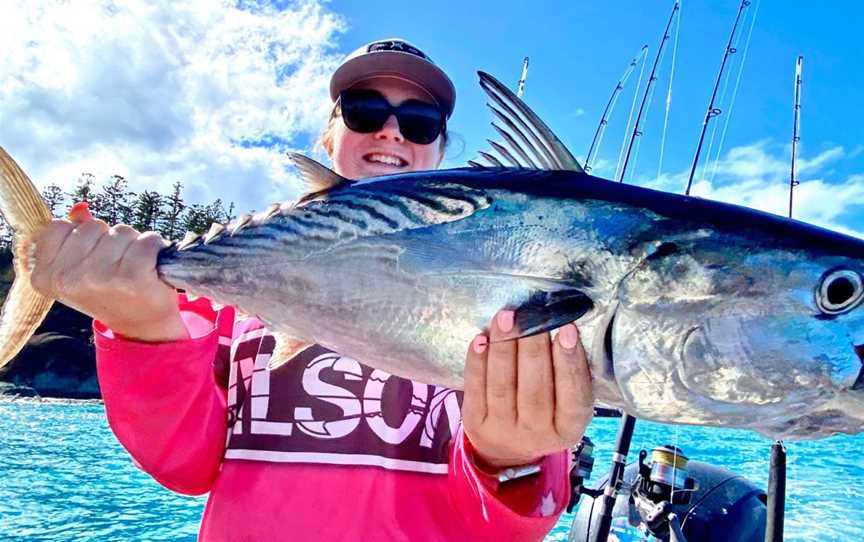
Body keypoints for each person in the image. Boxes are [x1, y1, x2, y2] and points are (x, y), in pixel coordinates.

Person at [29, 38, 594, 541]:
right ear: (329, 136)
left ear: (442, 151)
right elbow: (183, 465)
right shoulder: (238, 297)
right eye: (364, 109)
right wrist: (143, 329)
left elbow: (500, 526)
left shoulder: (510, 293)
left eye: (419, 120)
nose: (391, 130)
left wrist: (511, 460)